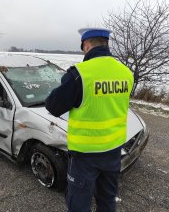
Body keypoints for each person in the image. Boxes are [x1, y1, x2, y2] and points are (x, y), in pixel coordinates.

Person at [45, 28, 134, 212]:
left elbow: (53, 106)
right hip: (114, 151)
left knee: (78, 204)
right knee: (107, 200)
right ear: (106, 44)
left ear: (86, 45)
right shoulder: (126, 73)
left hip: (86, 155)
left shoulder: (79, 74)